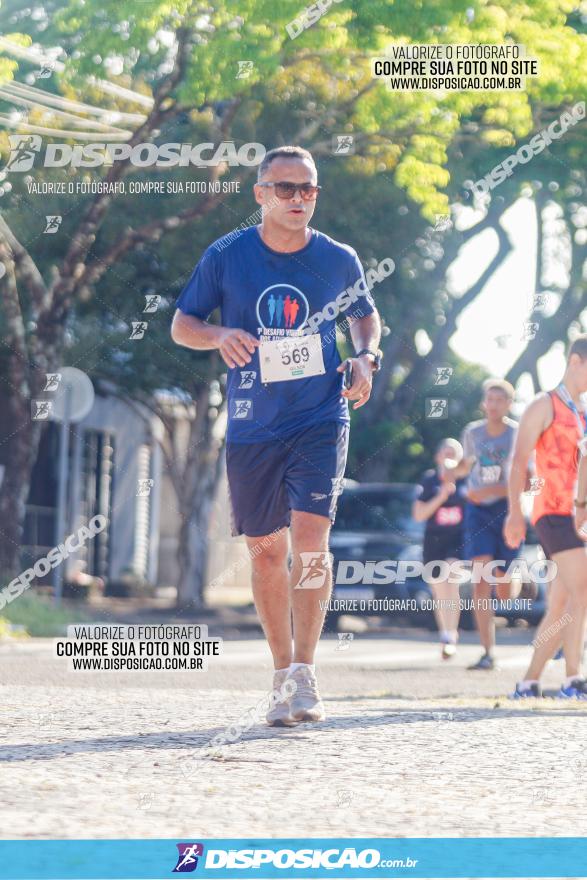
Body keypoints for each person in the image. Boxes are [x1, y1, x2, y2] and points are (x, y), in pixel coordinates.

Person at [171, 145, 382, 725]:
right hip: (251, 424)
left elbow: (364, 314)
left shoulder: (338, 259)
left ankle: (307, 674)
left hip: (319, 414)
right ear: (260, 194)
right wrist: (218, 337)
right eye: (285, 189)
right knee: (267, 555)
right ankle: (280, 672)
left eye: (307, 189)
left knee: (312, 541)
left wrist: (366, 356)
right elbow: (182, 324)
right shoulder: (227, 256)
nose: (297, 199)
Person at [505, 335, 587, 699]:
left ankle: (529, 682)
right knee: (581, 590)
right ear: (575, 361)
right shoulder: (545, 404)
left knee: (562, 602)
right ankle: (573, 678)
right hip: (552, 513)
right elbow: (519, 462)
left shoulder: (581, 411)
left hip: (578, 514)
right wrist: (513, 514)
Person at [460, 379, 522, 670]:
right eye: (489, 399)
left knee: (504, 590)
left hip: (509, 509)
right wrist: (453, 471)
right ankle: (487, 653)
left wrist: (495, 492)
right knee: (480, 580)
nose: (493, 404)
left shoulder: (516, 434)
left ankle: (512, 575)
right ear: (483, 402)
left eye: (500, 399)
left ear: (509, 403)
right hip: (478, 512)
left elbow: (526, 477)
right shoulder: (472, 433)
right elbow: (465, 465)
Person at [412, 438, 467, 659]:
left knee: (451, 576)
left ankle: (452, 634)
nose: (449, 457)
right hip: (434, 541)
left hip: (458, 540)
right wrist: (441, 496)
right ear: (437, 457)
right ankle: (445, 634)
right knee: (438, 588)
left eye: (454, 453)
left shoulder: (466, 481)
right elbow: (418, 515)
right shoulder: (429, 480)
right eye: (446, 452)